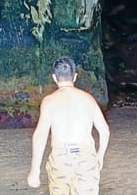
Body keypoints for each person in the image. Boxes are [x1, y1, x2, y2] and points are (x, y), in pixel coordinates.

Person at [28, 57, 110, 195]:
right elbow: (105, 131)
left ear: (54, 77)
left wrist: (34, 170)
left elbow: (40, 135)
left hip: (61, 156)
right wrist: (100, 155)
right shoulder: (88, 99)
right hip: (86, 155)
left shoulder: (49, 101)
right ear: (75, 76)